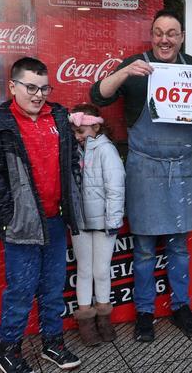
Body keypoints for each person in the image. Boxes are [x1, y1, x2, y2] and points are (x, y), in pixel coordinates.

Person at [90, 9, 192, 342]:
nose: (165, 39)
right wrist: (124, 73)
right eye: (159, 32)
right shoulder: (134, 66)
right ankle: (144, 313)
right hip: (145, 168)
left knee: (179, 247)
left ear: (181, 37)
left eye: (172, 33)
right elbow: (98, 95)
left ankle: (181, 307)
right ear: (151, 36)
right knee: (143, 249)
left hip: (182, 168)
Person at [0, 57, 81, 372]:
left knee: (52, 286)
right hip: (22, 224)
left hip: (55, 221)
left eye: (43, 88)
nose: (38, 95)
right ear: (13, 87)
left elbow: (72, 160)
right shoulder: (0, 122)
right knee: (20, 288)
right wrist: (12, 214)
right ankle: (8, 350)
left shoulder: (58, 116)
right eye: (30, 87)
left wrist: (70, 196)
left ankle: (53, 344)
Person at [68, 103, 125, 346]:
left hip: (103, 223)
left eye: (82, 131)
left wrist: (112, 221)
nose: (78, 136)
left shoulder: (106, 151)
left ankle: (104, 319)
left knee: (101, 271)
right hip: (80, 221)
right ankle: (86, 322)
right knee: (84, 270)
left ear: (97, 125)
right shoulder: (74, 151)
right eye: (75, 132)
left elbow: (115, 189)